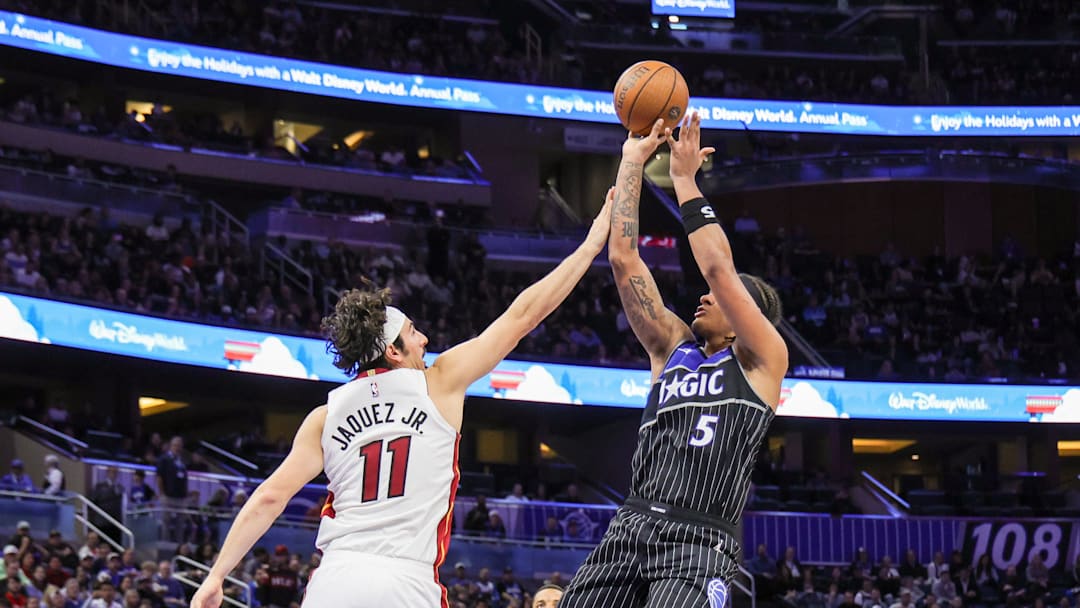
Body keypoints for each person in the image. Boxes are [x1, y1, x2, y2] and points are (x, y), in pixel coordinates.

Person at [190, 199, 614, 608]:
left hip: (336, 578)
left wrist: (215, 577)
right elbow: (522, 316)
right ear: (393, 351)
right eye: (413, 332)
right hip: (406, 581)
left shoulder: (326, 415)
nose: (424, 338)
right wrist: (591, 244)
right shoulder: (439, 382)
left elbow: (269, 498)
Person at [560, 114, 787, 608]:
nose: (705, 297)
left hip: (699, 542)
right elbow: (623, 259)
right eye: (705, 294)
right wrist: (631, 162)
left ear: (748, 319)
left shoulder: (762, 361)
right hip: (633, 522)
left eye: (721, 298)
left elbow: (718, 268)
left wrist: (683, 180)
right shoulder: (672, 348)